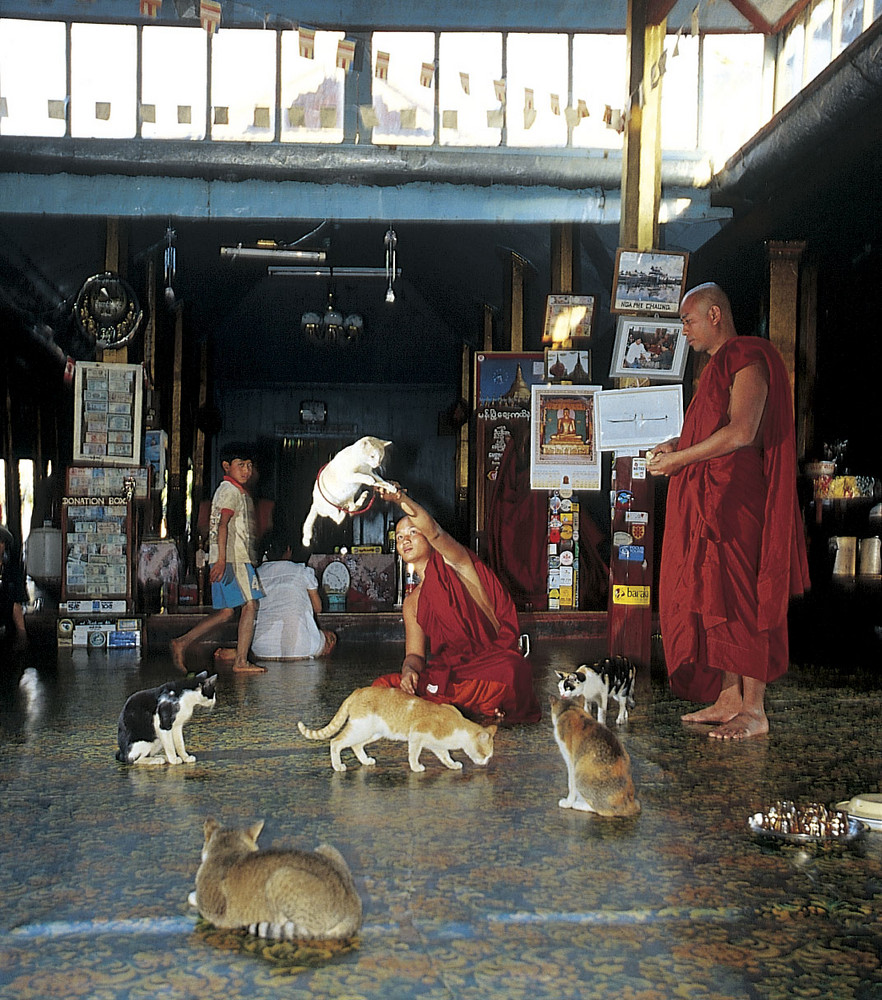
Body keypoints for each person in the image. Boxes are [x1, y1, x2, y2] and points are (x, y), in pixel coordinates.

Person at [647, 282, 810, 740]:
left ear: (715, 314)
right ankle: (729, 696)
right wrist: (676, 444)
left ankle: (755, 710)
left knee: (742, 597)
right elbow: (711, 434)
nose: (683, 332)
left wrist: (680, 460)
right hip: (712, 502)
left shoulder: (748, 357)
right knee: (713, 594)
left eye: (687, 321)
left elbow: (742, 433)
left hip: (739, 504)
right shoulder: (715, 368)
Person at [372, 486, 541, 724]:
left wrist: (399, 499)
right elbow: (414, 655)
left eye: (413, 532)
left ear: (427, 537)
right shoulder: (411, 603)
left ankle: (448, 708)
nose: (405, 540)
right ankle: (468, 709)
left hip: (488, 666)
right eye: (399, 537)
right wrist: (409, 671)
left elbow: (437, 534)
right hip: (452, 675)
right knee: (381, 687)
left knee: (510, 670)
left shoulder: (456, 564)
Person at [171, 442, 266, 673]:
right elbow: (222, 525)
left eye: (249, 466)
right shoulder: (231, 492)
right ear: (226, 466)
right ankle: (241, 662)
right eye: (241, 465)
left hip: (226, 557)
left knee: (226, 612)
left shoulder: (230, 490)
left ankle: (181, 642)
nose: (246, 470)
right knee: (251, 605)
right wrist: (223, 560)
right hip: (234, 558)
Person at [214, 534, 336, 663]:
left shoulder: (255, 574)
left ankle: (242, 653)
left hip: (261, 649)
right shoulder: (302, 571)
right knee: (331, 637)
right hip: (302, 649)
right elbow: (317, 608)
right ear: (288, 550)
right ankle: (322, 672)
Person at [0, 525, 28, 649]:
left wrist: (22, 633)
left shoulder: (12, 570)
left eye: (1, 542)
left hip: (6, 630)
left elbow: (16, 604)